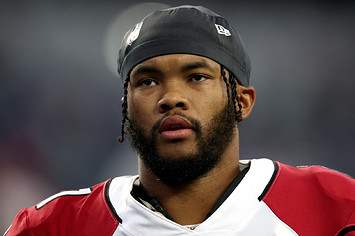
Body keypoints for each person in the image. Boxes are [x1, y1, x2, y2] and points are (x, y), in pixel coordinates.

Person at [5, 5, 355, 236]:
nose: (171, 97)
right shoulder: (53, 226)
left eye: (197, 77)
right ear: (125, 108)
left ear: (242, 101)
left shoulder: (335, 208)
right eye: (147, 81)